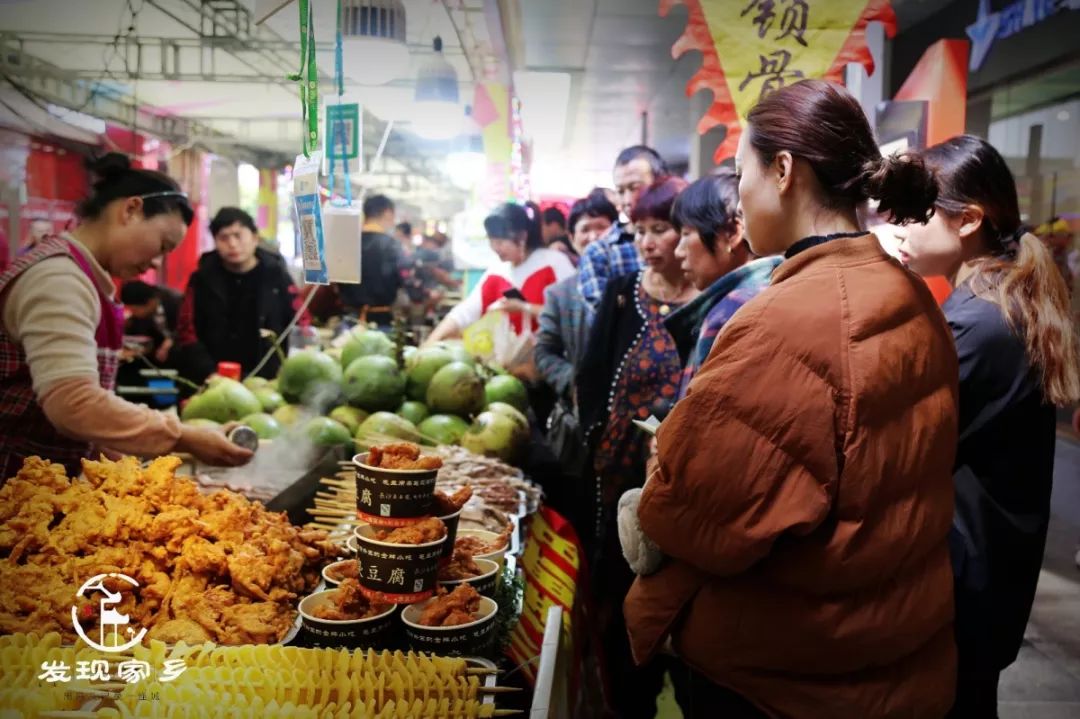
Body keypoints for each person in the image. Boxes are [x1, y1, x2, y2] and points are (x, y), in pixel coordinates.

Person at [621, 80, 959, 719]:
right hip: (886, 649)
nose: (738, 196)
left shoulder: (783, 320)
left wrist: (660, 468)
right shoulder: (911, 294)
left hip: (785, 670)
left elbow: (698, 515)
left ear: (782, 170)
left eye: (741, 170)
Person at [895, 135, 1080, 717]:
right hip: (986, 581)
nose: (899, 226)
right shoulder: (997, 303)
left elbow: (900, 445)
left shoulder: (978, 322)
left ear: (968, 219)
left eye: (914, 210)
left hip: (961, 586)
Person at [0, 153, 252, 478]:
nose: (158, 263)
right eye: (162, 244)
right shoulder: (58, 280)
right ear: (131, 210)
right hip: (14, 495)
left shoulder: (86, 277)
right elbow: (74, 403)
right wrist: (183, 437)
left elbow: (85, 412)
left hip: (47, 484)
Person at [575, 176, 694, 719]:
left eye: (661, 229)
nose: (648, 242)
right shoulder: (624, 292)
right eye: (640, 230)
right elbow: (592, 373)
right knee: (621, 584)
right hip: (618, 469)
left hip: (683, 472)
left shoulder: (712, 300)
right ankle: (628, 693)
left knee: (678, 580)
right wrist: (595, 441)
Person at [664, 170, 780, 399]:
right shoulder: (776, 290)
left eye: (687, 234)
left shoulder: (728, 314)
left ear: (732, 233)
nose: (678, 252)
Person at [174, 207, 303, 386]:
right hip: (211, 379)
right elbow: (186, 332)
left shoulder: (276, 276)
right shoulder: (202, 278)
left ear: (255, 238)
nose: (232, 244)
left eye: (238, 235)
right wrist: (209, 373)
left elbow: (300, 321)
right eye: (224, 238)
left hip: (268, 380)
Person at [425, 202, 575, 346]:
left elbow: (573, 313)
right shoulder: (497, 270)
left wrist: (524, 308)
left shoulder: (554, 263)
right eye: (491, 241)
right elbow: (465, 312)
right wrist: (431, 343)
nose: (495, 248)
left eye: (500, 242)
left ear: (522, 236)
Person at [536, 191, 619, 402]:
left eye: (601, 227)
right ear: (572, 239)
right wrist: (573, 383)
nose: (593, 237)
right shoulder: (558, 294)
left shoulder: (636, 283)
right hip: (580, 411)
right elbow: (544, 351)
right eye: (585, 229)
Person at [578, 145, 668, 314]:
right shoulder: (600, 253)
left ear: (660, 183)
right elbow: (606, 321)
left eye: (635, 187)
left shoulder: (681, 239)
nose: (627, 199)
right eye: (620, 191)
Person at [337, 194, 408, 327]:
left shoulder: (346, 243)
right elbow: (404, 278)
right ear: (388, 213)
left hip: (349, 320)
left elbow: (335, 280)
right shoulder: (392, 245)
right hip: (381, 322)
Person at [120, 280, 176, 365]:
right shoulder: (138, 319)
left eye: (135, 310)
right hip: (157, 360)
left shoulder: (176, 303)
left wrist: (171, 340)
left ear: (150, 302)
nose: (133, 313)